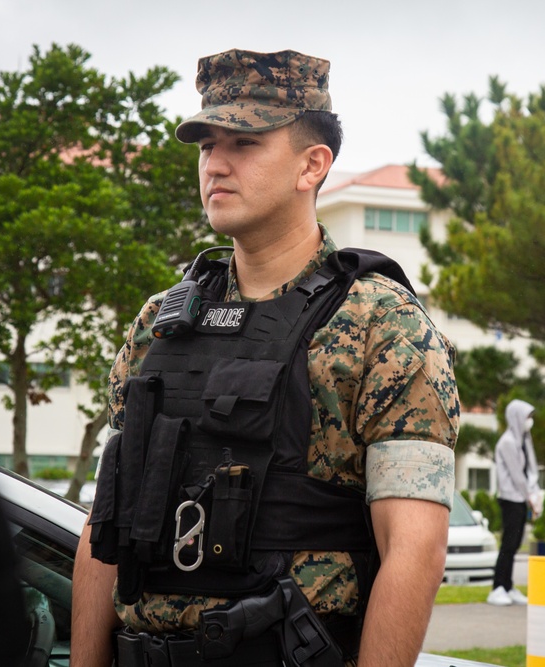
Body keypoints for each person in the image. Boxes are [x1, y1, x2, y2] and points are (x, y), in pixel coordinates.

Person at [71, 49, 460, 667]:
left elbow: (414, 549)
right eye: (206, 145)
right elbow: (105, 524)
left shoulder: (382, 325)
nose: (215, 164)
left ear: (313, 165)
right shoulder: (161, 323)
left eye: (244, 143)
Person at [487, 399, 541, 606]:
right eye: (527, 416)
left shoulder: (523, 440)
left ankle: (508, 586)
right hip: (511, 497)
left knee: (515, 543)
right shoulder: (508, 442)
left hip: (521, 497)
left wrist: (533, 494)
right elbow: (517, 475)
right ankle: (497, 587)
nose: (530, 421)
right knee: (508, 544)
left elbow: (531, 469)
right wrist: (530, 496)